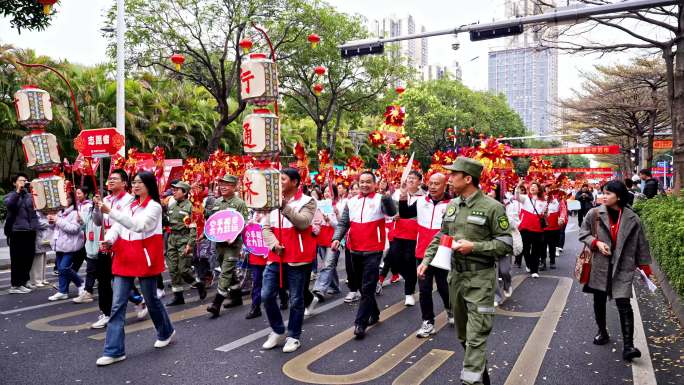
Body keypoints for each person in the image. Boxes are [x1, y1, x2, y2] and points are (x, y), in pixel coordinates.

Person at [420, 157, 512, 385]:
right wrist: (426, 260)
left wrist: (475, 247)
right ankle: (481, 375)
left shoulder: (492, 207)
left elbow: (506, 244)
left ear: (468, 178)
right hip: (456, 278)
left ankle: (470, 380)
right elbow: (441, 235)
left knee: (476, 335)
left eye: (454, 175)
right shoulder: (452, 205)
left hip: (481, 279)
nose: (449, 179)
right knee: (463, 335)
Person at [95, 171, 175, 366]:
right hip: (124, 256)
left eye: (140, 182)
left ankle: (166, 331)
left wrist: (110, 212)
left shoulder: (155, 207)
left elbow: (139, 226)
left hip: (144, 257)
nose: (136, 185)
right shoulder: (130, 204)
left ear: (149, 185)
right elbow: (118, 227)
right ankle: (114, 351)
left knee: (151, 300)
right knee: (117, 305)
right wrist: (109, 240)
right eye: (134, 182)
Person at [578, 180, 653, 361]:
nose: (604, 196)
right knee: (599, 300)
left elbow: (641, 243)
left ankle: (628, 346)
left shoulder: (632, 218)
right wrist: (596, 243)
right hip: (599, 265)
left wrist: (644, 266)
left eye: (608, 193)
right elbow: (583, 233)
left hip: (623, 266)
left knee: (624, 303)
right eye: (603, 192)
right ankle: (602, 331)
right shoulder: (594, 213)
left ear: (618, 196)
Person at [331, 171, 397, 340]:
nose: (365, 185)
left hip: (373, 250)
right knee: (361, 286)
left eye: (369, 182)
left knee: (367, 287)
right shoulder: (351, 202)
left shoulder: (380, 199)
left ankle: (360, 323)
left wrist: (387, 196)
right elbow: (344, 223)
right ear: (358, 183)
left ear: (375, 184)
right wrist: (336, 238)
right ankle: (374, 313)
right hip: (354, 250)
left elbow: (391, 212)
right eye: (362, 182)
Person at [260, 168, 317, 353]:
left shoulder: (308, 201)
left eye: (282, 179)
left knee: (296, 299)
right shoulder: (271, 202)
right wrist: (274, 244)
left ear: (294, 182)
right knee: (267, 295)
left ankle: (293, 336)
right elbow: (265, 228)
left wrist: (284, 207)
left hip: (298, 259)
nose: (278, 182)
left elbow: (303, 223)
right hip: (276, 257)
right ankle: (277, 330)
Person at [399, 172, 452, 338]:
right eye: (431, 183)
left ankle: (450, 308)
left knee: (444, 287)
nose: (433, 186)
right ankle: (428, 322)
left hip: (443, 252)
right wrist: (402, 195)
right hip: (422, 252)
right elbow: (405, 214)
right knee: (424, 289)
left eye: (437, 183)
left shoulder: (453, 204)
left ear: (445, 186)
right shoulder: (421, 201)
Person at [91, 169, 146, 329]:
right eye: (110, 178)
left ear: (124, 183)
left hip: (122, 244)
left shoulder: (130, 201)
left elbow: (124, 222)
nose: (111, 181)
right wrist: (96, 208)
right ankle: (106, 313)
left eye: (115, 179)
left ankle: (138, 300)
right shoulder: (105, 199)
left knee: (120, 279)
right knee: (103, 279)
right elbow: (97, 222)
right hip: (105, 244)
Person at [205, 174, 249, 317]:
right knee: (229, 271)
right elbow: (212, 222)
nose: (223, 187)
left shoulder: (239, 203)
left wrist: (235, 235)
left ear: (234, 187)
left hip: (233, 245)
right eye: (221, 184)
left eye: (227, 184)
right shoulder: (217, 202)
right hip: (219, 244)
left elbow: (245, 224)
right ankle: (237, 297)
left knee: (225, 271)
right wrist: (203, 233)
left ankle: (216, 303)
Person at [385, 171, 424, 306]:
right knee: (393, 259)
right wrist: (392, 216)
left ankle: (409, 293)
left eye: (414, 178)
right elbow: (389, 211)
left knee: (409, 262)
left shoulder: (424, 197)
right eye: (409, 178)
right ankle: (406, 276)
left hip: (414, 235)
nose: (411, 180)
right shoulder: (397, 193)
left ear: (420, 181)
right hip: (398, 233)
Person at [165, 181, 206, 305]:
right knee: (172, 269)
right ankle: (178, 296)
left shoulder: (190, 207)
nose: (174, 192)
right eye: (173, 189)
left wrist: (190, 244)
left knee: (183, 269)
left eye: (177, 190)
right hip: (172, 239)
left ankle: (197, 284)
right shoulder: (171, 206)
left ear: (184, 192)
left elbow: (193, 228)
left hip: (184, 240)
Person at [4, 173, 39, 294]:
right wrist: (18, 192)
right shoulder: (10, 196)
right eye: (21, 181)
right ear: (15, 183)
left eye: (25, 180)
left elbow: (38, 207)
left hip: (30, 231)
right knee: (17, 259)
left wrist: (36, 189)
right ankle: (15, 285)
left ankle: (24, 281)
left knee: (28, 257)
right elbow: (10, 205)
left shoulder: (30, 196)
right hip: (17, 231)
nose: (24, 182)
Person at [48, 190, 86, 301]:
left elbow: (74, 229)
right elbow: (54, 228)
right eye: (63, 197)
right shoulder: (59, 212)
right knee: (60, 269)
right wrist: (51, 222)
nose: (65, 200)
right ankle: (63, 291)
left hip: (70, 245)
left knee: (64, 267)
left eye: (68, 197)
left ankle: (80, 282)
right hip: (59, 244)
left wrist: (58, 220)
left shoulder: (76, 212)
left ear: (72, 199)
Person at [310, 184, 341, 312]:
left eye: (330, 191)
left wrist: (332, 218)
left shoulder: (338, 206)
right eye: (326, 191)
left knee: (327, 264)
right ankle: (335, 287)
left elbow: (340, 226)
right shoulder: (320, 205)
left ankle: (319, 289)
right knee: (329, 264)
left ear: (334, 193)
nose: (328, 193)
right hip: (322, 238)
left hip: (334, 239)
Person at [73, 189, 102, 304]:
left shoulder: (105, 210)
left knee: (110, 275)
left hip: (102, 246)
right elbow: (84, 227)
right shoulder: (90, 209)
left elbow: (100, 223)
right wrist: (80, 221)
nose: (96, 198)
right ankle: (88, 291)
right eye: (95, 196)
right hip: (91, 246)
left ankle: (137, 299)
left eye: (98, 196)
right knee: (90, 270)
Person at [516, 181, 547, 278]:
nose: (533, 187)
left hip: (537, 229)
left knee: (536, 250)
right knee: (525, 248)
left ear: (539, 189)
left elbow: (544, 214)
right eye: (531, 186)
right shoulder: (525, 198)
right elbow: (517, 197)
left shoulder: (544, 201)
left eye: (535, 186)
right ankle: (529, 264)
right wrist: (518, 186)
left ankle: (534, 270)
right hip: (525, 227)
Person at [342, 181, 362, 303]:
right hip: (350, 241)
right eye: (352, 189)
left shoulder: (373, 202)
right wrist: (337, 238)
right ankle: (353, 290)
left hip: (366, 244)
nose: (354, 191)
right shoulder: (348, 203)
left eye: (357, 188)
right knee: (350, 267)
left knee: (363, 268)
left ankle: (363, 288)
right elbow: (342, 222)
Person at [542, 187, 566, 271]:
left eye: (551, 187)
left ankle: (552, 261)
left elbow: (563, 209)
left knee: (552, 245)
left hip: (554, 225)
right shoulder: (541, 197)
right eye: (547, 187)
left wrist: (562, 218)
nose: (549, 189)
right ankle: (543, 262)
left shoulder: (559, 198)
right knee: (542, 245)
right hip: (543, 225)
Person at [31, 212, 54, 288]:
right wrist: (49, 222)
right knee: (38, 258)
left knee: (43, 257)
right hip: (38, 236)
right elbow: (38, 223)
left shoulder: (41, 211)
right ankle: (36, 280)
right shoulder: (36, 212)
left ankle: (42, 278)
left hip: (43, 236)